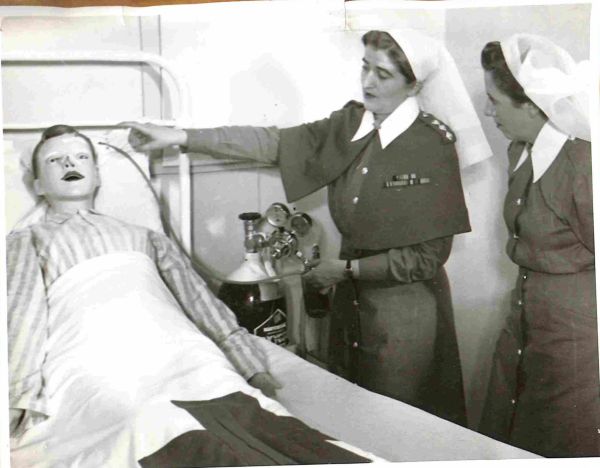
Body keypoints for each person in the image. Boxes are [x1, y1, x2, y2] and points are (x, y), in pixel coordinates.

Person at [123, 29, 492, 426]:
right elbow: (273, 143)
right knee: (355, 415)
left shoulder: (430, 146)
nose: (367, 81)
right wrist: (179, 137)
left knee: (397, 422)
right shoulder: (353, 123)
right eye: (365, 67)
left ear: (413, 83)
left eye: (382, 75)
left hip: (403, 308)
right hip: (350, 301)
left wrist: (347, 270)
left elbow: (427, 258)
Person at [7, 124, 281, 437]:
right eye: (55, 160)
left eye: (80, 156)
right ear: (39, 186)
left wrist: (250, 367)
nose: (70, 164)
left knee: (227, 403)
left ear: (97, 176)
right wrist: (18, 399)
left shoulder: (147, 237)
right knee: (138, 420)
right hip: (95, 354)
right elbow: (22, 321)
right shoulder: (26, 240)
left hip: (175, 346)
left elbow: (201, 306)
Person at [478, 34, 599, 457]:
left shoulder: (583, 164)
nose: (488, 111)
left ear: (532, 103)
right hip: (526, 322)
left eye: (495, 101)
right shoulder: (521, 152)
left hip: (575, 342)